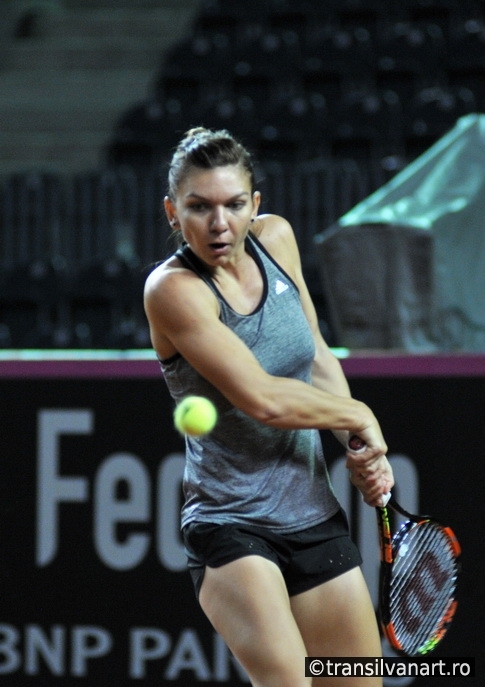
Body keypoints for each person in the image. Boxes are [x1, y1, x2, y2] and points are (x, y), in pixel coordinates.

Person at [144, 127, 394, 687]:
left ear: (255, 204)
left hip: (313, 518)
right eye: (199, 207)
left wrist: (358, 447)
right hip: (230, 527)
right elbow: (261, 398)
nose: (219, 223)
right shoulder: (173, 290)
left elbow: (318, 358)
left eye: (234, 205)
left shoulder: (276, 239)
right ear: (171, 211)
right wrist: (359, 416)